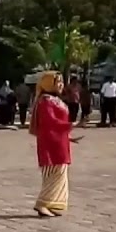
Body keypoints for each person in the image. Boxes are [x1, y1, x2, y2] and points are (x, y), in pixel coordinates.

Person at [30, 71, 77, 218]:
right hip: (50, 144)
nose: (61, 85)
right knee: (52, 173)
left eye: (62, 82)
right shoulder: (45, 101)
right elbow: (50, 122)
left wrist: (68, 136)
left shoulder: (54, 100)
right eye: (58, 82)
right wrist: (72, 125)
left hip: (59, 141)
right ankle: (42, 204)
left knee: (59, 173)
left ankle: (51, 203)